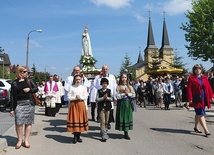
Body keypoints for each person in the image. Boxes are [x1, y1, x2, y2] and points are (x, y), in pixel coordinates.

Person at [10, 66, 38, 149]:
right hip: (19, 104)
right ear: (20, 72)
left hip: (29, 104)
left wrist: (29, 90)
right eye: (25, 72)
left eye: (27, 72)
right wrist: (12, 109)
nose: (26, 73)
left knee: (28, 122)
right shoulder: (14, 83)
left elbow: (36, 89)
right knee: (18, 123)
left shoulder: (29, 81)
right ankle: (19, 140)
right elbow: (12, 96)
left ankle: (26, 140)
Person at [187, 64, 214, 137]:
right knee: (201, 114)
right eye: (196, 69)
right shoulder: (191, 78)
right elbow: (189, 89)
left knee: (198, 114)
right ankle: (206, 130)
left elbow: (209, 87)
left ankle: (196, 127)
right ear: (194, 70)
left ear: (201, 70)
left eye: (199, 69)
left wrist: (211, 96)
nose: (197, 70)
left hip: (204, 98)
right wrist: (190, 98)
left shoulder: (205, 78)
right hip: (197, 99)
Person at [67, 74, 89, 144]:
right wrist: (75, 98)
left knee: (80, 120)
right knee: (75, 120)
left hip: (81, 104)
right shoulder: (71, 87)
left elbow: (86, 96)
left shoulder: (83, 87)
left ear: (81, 80)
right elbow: (68, 97)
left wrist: (80, 98)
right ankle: (75, 137)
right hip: (73, 105)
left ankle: (79, 136)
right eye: (77, 79)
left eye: (79, 79)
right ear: (74, 80)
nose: (78, 81)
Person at [115, 73, 135, 140]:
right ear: (121, 78)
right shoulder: (118, 87)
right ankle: (123, 130)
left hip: (128, 104)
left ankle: (126, 132)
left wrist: (128, 94)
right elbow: (117, 96)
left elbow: (134, 95)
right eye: (123, 77)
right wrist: (124, 94)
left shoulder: (130, 87)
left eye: (125, 77)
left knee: (127, 117)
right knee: (122, 117)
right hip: (121, 103)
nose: (124, 79)